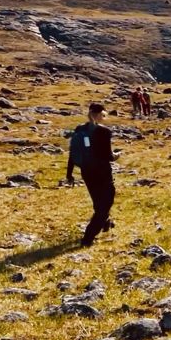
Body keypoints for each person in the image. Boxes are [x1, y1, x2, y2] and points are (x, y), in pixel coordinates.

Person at [66, 102, 119, 247]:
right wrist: (116, 156)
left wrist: (69, 174)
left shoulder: (79, 130)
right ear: (101, 114)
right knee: (106, 202)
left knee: (97, 201)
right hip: (102, 172)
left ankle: (106, 223)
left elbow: (73, 153)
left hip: (87, 172)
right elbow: (108, 156)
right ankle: (88, 238)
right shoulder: (104, 131)